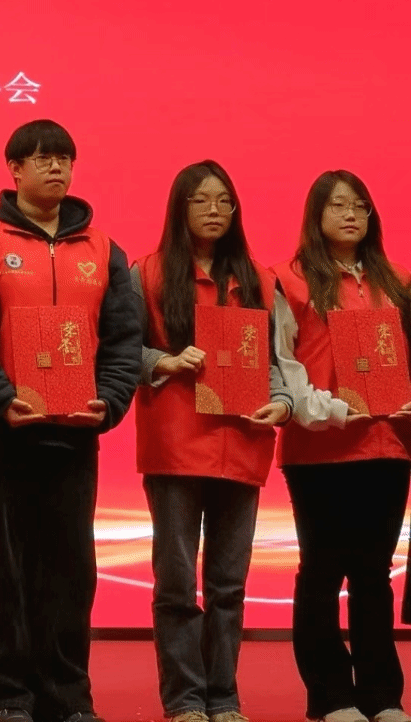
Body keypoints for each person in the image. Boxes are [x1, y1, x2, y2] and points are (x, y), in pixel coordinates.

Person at [0, 119, 141, 722]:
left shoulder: (104, 250)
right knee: (4, 570)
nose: (56, 167)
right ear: (14, 170)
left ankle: (67, 696)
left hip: (73, 432)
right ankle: (9, 697)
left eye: (65, 159)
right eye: (42, 158)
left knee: (71, 572)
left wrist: (110, 401)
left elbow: (123, 338)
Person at [133, 161, 310, 722]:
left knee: (229, 587)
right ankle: (185, 699)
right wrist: (163, 360)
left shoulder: (260, 278)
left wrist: (282, 404)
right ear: (179, 208)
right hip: (176, 447)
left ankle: (224, 697)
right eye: (201, 200)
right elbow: (117, 350)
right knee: (176, 585)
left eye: (224, 201)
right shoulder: (148, 273)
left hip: (242, 444)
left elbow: (281, 362)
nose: (214, 211)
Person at [274, 171, 411, 722]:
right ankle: (331, 694)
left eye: (360, 206)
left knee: (374, 574)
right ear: (317, 215)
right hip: (320, 450)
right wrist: (325, 410)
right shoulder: (290, 280)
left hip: (388, 444)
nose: (351, 215)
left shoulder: (396, 281)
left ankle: (383, 695)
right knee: (323, 571)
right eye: (338, 205)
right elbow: (282, 363)